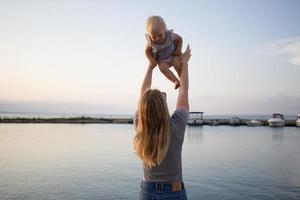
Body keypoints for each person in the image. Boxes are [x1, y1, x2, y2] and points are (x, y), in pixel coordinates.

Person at [133, 45, 191, 200]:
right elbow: (183, 91)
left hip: (147, 192)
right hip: (174, 193)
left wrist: (151, 66)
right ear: (164, 106)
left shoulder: (140, 125)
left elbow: (143, 93)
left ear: (143, 109)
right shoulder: (176, 126)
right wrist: (184, 64)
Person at [145, 15, 183, 89]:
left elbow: (180, 39)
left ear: (164, 30)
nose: (157, 39)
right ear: (150, 35)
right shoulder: (150, 42)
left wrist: (178, 50)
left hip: (173, 55)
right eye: (154, 37)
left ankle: (182, 79)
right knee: (162, 68)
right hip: (162, 60)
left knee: (177, 64)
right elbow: (147, 51)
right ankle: (176, 81)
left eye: (160, 35)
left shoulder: (170, 35)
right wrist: (151, 60)